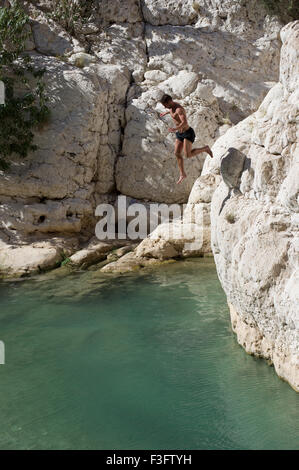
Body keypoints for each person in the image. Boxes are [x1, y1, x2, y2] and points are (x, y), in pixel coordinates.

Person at [159, 93, 213, 184]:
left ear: (170, 102)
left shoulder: (179, 109)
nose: (165, 107)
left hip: (188, 133)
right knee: (177, 153)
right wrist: (166, 112)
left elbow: (184, 122)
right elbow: (172, 111)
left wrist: (175, 128)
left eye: (165, 105)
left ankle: (205, 149)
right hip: (180, 134)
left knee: (188, 154)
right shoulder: (171, 107)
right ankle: (182, 174)